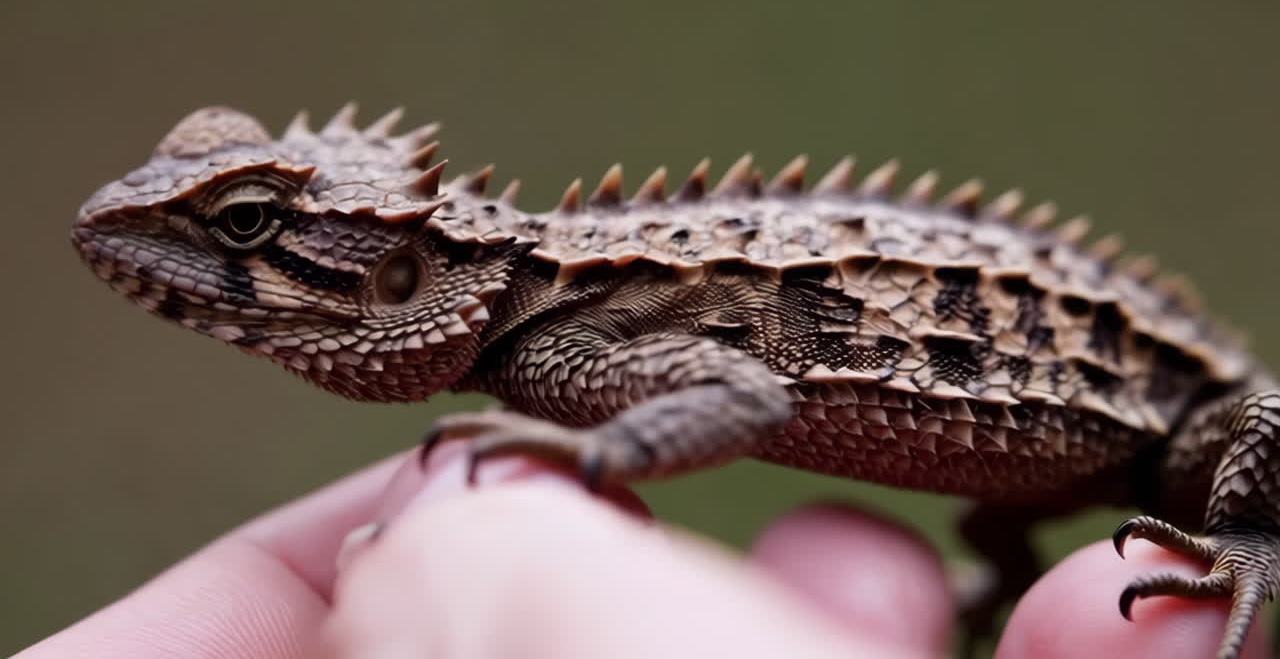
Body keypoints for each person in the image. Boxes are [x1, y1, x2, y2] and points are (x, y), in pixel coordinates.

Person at [15, 441, 1269, 658]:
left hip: (1166, 425)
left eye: (244, 233)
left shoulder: (579, 346)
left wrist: (1248, 532)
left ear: (398, 266)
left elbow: (738, 405)